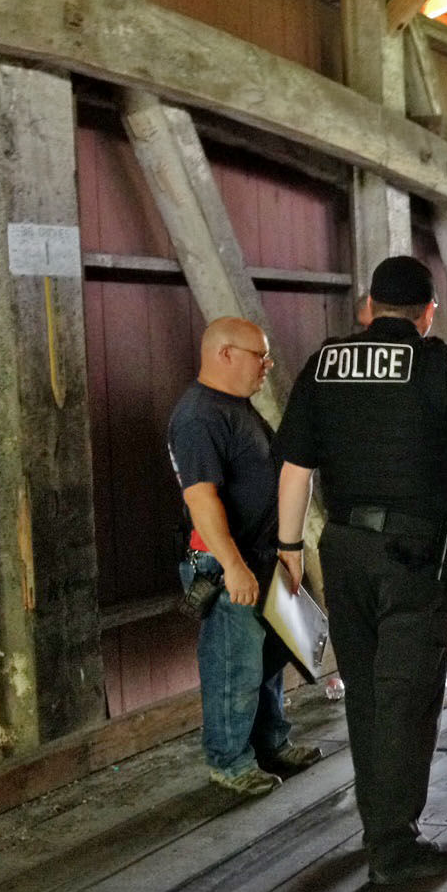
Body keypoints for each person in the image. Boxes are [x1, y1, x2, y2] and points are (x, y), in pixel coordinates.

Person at [273, 256, 447, 886]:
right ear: (428, 313)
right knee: (409, 697)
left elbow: (295, 467)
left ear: (368, 306)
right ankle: (395, 847)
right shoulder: (442, 364)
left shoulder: (325, 362)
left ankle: (378, 829)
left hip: (344, 550)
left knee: (368, 692)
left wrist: (289, 547)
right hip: (416, 555)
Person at [167, 317, 323, 796]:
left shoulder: (236, 408)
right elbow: (202, 499)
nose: (268, 365)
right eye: (261, 356)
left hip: (260, 555)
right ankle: (230, 762)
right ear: (225, 354)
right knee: (234, 666)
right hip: (225, 561)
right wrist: (233, 566)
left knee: (266, 662)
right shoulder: (199, 416)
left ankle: (271, 742)